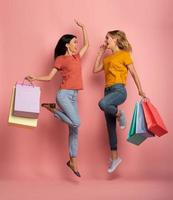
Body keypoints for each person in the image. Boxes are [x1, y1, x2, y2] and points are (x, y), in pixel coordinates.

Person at [26, 20, 89, 177]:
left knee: (74, 130)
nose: (77, 44)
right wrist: (34, 77)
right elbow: (49, 77)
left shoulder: (76, 57)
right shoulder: (60, 59)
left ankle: (72, 161)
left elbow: (87, 45)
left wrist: (84, 28)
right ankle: (53, 109)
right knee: (76, 122)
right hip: (63, 95)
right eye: (75, 42)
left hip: (74, 96)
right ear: (67, 44)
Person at [93, 30, 146, 173]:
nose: (105, 40)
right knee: (110, 128)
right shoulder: (107, 59)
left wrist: (140, 90)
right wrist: (100, 52)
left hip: (119, 90)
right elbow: (95, 69)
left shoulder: (124, 55)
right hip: (107, 91)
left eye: (107, 38)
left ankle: (119, 113)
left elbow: (134, 73)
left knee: (102, 104)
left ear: (115, 39)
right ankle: (115, 158)